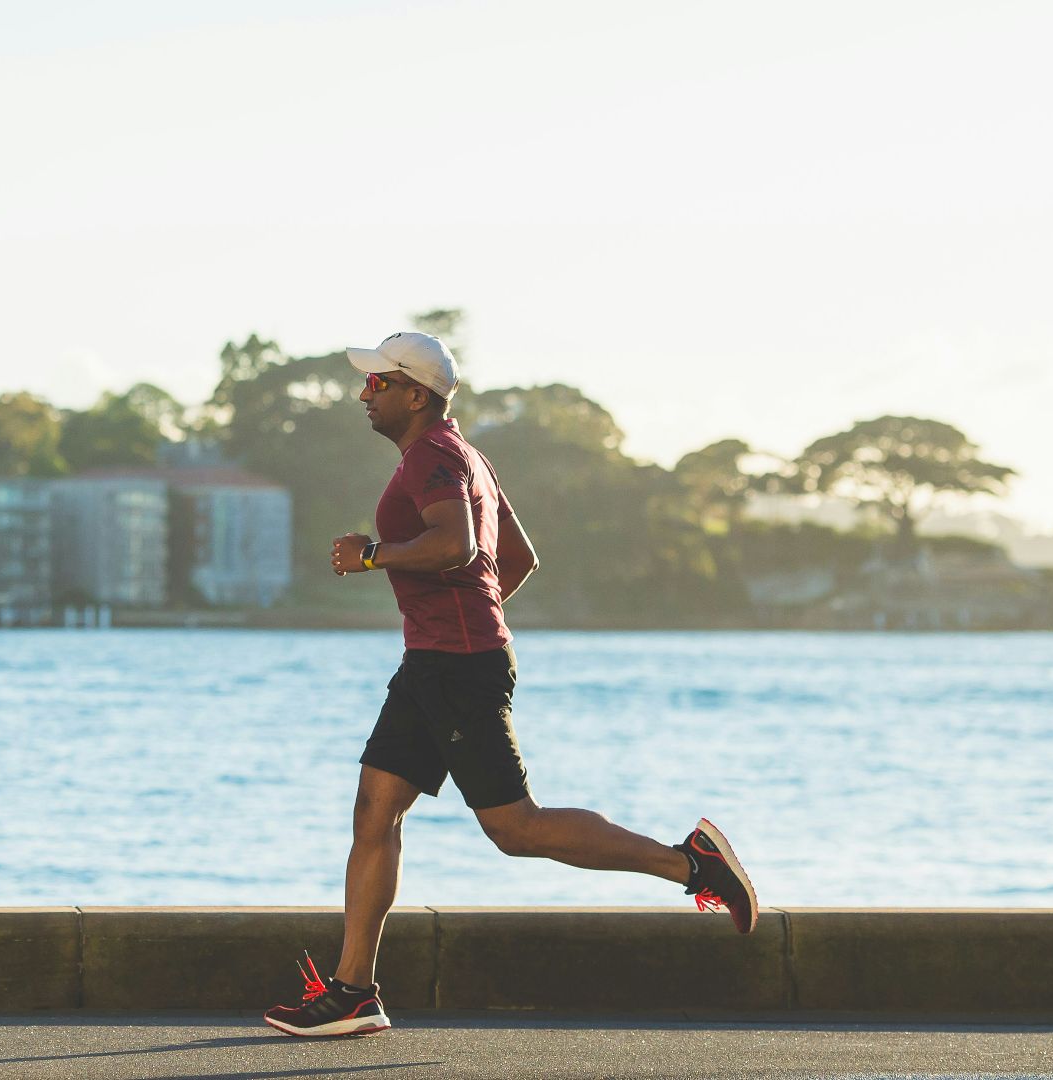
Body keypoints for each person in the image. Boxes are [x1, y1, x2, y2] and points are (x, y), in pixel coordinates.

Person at [262, 332, 757, 1038]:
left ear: (416, 393)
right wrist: (468, 616)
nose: (364, 394)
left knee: (515, 828)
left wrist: (375, 556)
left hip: (455, 667)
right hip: (437, 662)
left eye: (378, 383)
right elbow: (516, 557)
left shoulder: (435, 457)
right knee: (375, 812)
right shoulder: (465, 456)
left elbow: (460, 546)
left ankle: (691, 864)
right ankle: (353, 992)